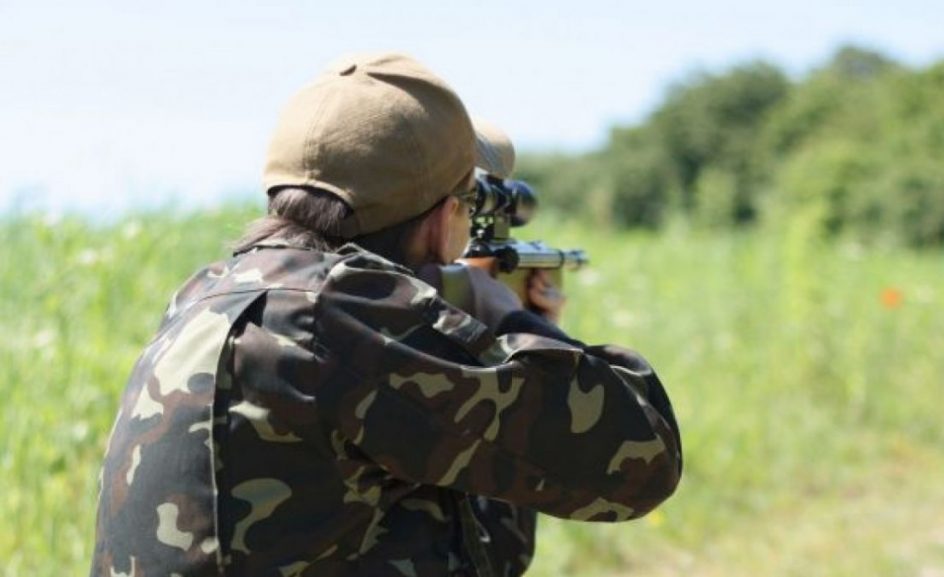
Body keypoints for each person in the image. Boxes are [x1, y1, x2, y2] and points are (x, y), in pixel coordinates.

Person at [90, 53, 682, 577]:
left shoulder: (209, 296)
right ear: (444, 217)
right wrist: (508, 319)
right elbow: (642, 459)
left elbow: (489, 543)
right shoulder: (342, 322)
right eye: (467, 202)